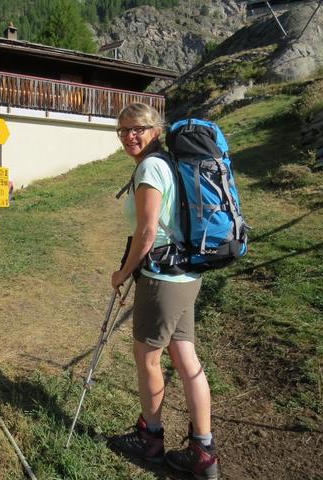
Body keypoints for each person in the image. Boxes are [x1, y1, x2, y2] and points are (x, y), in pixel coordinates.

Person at [109, 103, 219, 480]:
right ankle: (203, 451)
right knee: (186, 360)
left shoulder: (152, 167)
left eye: (137, 128)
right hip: (186, 274)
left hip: (162, 280)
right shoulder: (170, 163)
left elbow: (147, 233)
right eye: (122, 130)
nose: (129, 136)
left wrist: (123, 273)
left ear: (156, 129)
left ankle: (151, 439)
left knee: (148, 359)